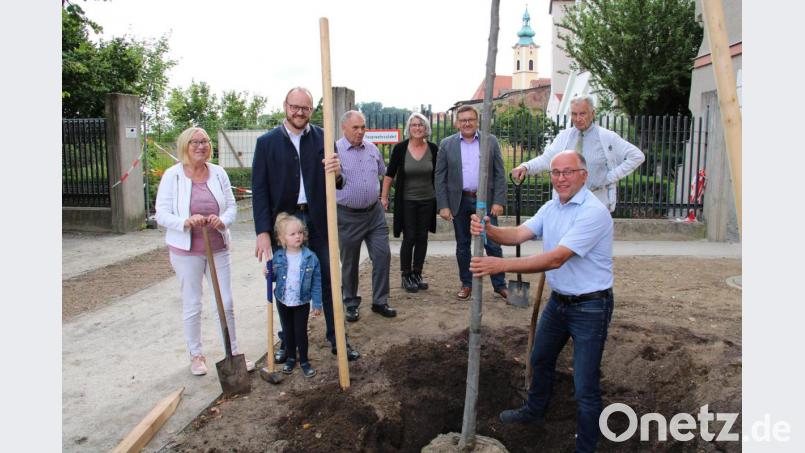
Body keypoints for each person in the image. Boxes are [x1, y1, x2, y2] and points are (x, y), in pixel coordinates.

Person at [470, 150, 614, 453]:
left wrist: (500, 265)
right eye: (555, 172)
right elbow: (520, 233)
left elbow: (557, 258)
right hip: (560, 302)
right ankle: (534, 411)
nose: (560, 178)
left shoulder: (593, 212)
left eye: (567, 172)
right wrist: (489, 230)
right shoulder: (552, 206)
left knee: (585, 385)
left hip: (591, 306)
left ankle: (586, 447)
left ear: (583, 176)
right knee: (539, 359)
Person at [252, 87, 360, 362]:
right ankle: (289, 343)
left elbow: (340, 183)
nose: (300, 112)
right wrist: (263, 232)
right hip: (284, 222)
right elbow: (260, 190)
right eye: (295, 107)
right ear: (285, 106)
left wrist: (336, 173)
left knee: (328, 278)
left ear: (312, 110)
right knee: (288, 282)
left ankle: (338, 338)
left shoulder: (324, 139)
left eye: (306, 108)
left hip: (318, 220)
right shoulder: (267, 143)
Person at [155, 127, 254, 376]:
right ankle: (196, 355)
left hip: (217, 246)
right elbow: (162, 213)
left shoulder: (218, 173)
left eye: (205, 142)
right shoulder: (173, 176)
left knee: (226, 301)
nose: (201, 146)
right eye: (195, 142)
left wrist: (223, 221)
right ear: (185, 146)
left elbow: (231, 206)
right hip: (186, 250)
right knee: (192, 303)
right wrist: (184, 222)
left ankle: (233, 352)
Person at [511, 95, 645, 212]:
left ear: (593, 113)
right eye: (574, 114)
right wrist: (525, 167)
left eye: (582, 114)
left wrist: (610, 177)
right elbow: (547, 160)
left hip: (595, 202)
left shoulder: (607, 137)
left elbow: (637, 156)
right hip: (566, 204)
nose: (578, 118)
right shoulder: (564, 136)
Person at [434, 104, 508, 301]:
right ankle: (467, 284)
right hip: (459, 201)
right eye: (463, 120)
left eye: (470, 119)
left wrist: (499, 201)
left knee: (493, 244)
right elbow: (439, 176)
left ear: (477, 121)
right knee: (463, 245)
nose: (467, 123)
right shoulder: (447, 144)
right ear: (457, 123)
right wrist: (443, 204)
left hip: (486, 201)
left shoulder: (490, 141)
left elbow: (500, 173)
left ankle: (500, 285)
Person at [336, 110, 396, 322]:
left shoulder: (372, 149)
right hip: (347, 216)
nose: (361, 131)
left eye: (363, 127)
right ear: (344, 127)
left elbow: (383, 171)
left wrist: (383, 196)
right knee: (350, 262)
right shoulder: (335, 151)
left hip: (374, 213)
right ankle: (351, 302)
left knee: (382, 255)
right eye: (356, 127)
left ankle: (380, 300)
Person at [380, 112, 439, 293]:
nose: (417, 128)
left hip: (428, 200)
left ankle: (417, 273)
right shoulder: (400, 149)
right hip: (407, 201)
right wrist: (384, 197)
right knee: (410, 237)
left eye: (421, 125)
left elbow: (439, 175)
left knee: (422, 237)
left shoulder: (434, 149)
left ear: (426, 128)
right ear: (409, 128)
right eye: (414, 125)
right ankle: (405, 275)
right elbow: (389, 175)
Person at [269, 213, 322, 378]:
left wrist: (317, 304)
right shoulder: (278, 256)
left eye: (299, 232)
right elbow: (273, 278)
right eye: (292, 234)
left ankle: (304, 361)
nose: (298, 236)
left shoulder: (310, 258)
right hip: (283, 300)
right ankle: (291, 358)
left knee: (300, 332)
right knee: (288, 331)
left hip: (301, 302)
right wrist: (267, 273)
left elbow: (316, 282)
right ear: (282, 238)